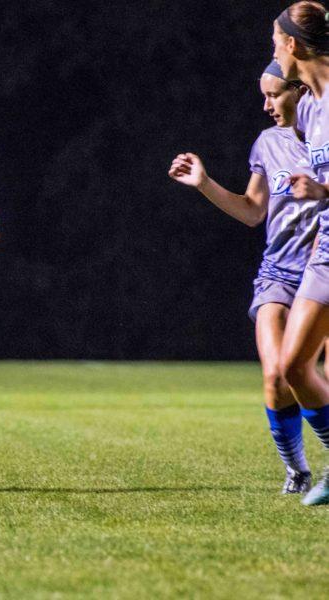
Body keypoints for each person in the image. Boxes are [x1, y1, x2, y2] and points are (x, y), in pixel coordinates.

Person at [169, 60, 321, 494]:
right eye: (264, 95)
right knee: (276, 376)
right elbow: (253, 211)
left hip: (324, 273)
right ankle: (297, 469)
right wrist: (203, 183)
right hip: (280, 275)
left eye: (273, 94)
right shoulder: (267, 143)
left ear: (301, 90)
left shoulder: (325, 137)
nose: (265, 104)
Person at [271, 0, 329, 505]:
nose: (273, 51)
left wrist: (324, 192)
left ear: (292, 44)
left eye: (274, 41)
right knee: (292, 367)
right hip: (327, 249)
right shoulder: (309, 107)